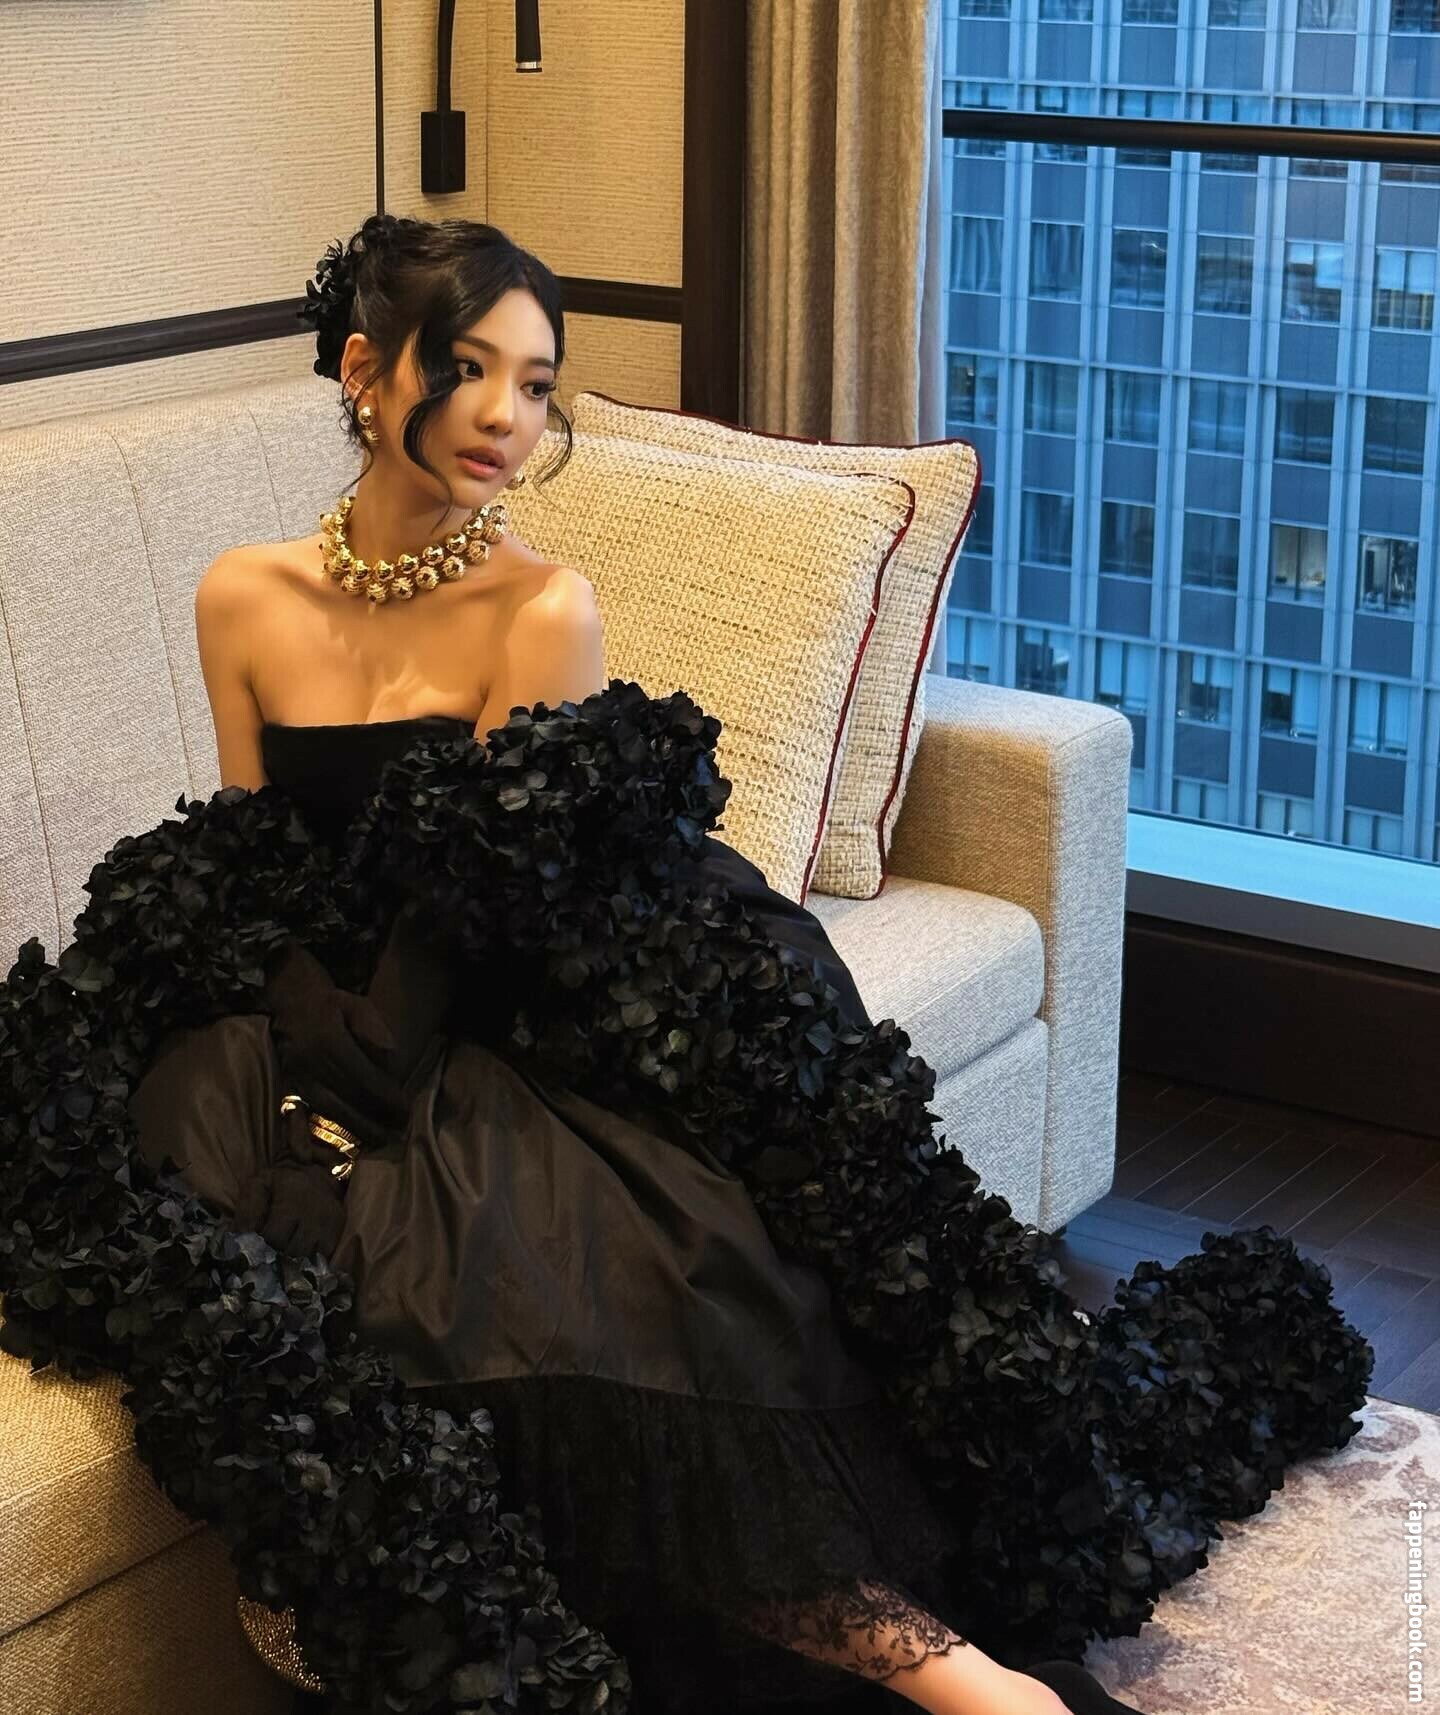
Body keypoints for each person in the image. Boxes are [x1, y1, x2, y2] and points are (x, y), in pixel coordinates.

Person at [96, 215, 1368, 1715]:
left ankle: (964, 1683)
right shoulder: (242, 596)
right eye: (471, 370)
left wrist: (370, 1065)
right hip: (310, 1006)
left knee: (633, 1283)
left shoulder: (540, 608)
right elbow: (250, 859)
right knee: (263, 1259)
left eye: (538, 384)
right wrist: (302, 1029)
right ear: (369, 369)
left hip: (507, 1000)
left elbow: (489, 908)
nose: (509, 417)